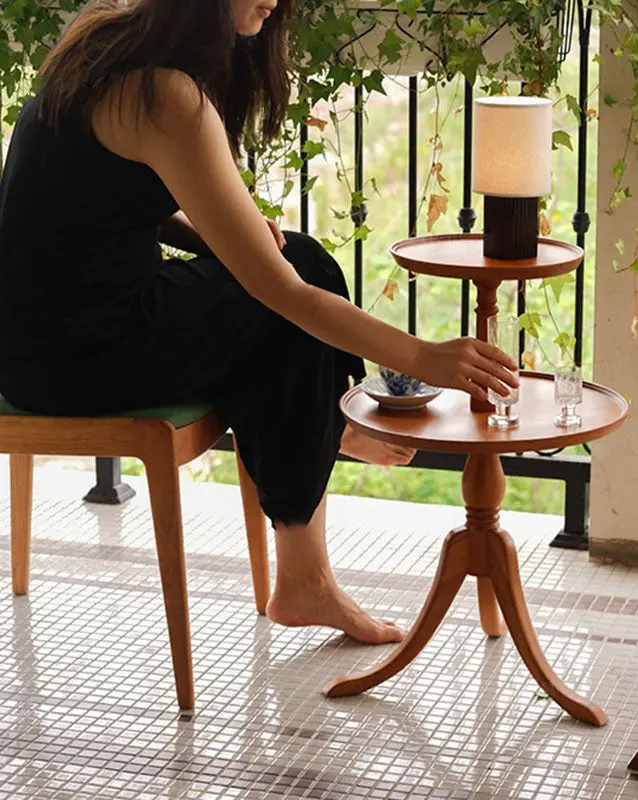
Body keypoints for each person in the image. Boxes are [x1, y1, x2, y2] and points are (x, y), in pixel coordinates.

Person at [0, 0, 517, 646]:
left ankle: (318, 441)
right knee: (299, 285)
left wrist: (211, 238)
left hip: (29, 345)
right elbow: (287, 295)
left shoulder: (100, 36)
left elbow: (94, 197)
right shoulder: (168, 97)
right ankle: (317, 480)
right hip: (86, 357)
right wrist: (424, 358)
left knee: (286, 265)